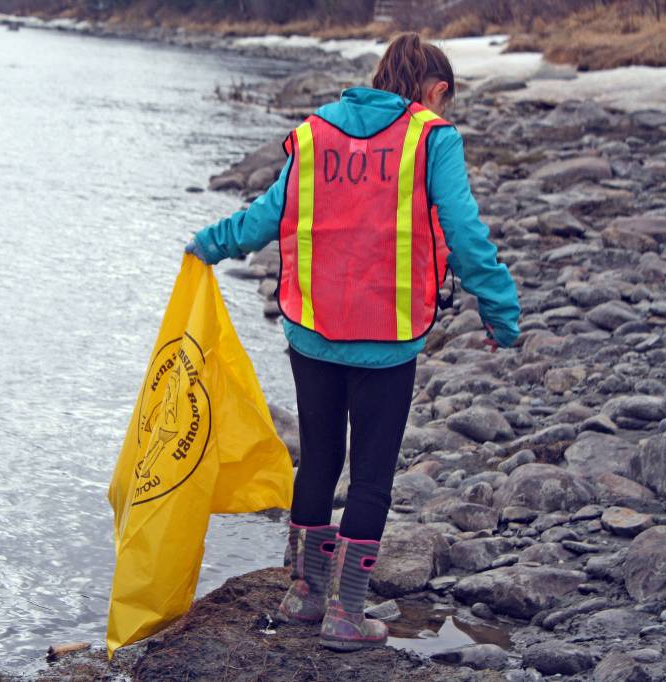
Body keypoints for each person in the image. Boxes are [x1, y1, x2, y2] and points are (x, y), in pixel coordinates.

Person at [185, 33, 520, 652]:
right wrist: (501, 313)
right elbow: (466, 234)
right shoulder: (431, 137)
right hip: (388, 337)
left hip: (311, 330)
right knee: (370, 476)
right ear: (436, 89)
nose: (442, 113)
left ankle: (305, 594)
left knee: (316, 457)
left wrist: (207, 246)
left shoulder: (313, 134)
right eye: (443, 102)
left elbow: (264, 218)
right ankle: (347, 615)